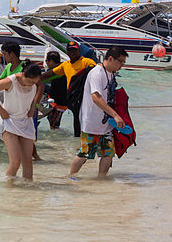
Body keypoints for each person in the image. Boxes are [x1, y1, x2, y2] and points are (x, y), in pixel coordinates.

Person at [69, 46, 128, 178]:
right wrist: (115, 115)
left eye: (124, 62)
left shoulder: (111, 74)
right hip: (91, 123)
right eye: (121, 62)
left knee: (108, 154)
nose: (122, 65)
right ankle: (71, 176)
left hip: (106, 123)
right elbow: (96, 97)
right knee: (84, 154)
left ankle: (101, 180)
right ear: (111, 58)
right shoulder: (97, 73)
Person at [0, 61, 44, 180]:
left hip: (25, 122)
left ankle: (29, 191)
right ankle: (9, 190)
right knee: (16, 160)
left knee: (27, 160)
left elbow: (39, 88)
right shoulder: (11, 81)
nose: (32, 85)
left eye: (34, 83)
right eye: (30, 82)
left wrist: (33, 106)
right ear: (24, 75)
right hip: (9, 121)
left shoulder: (34, 83)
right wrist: (1, 110)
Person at [41, 41, 96, 136]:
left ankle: (86, 144)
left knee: (86, 123)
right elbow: (51, 73)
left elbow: (97, 71)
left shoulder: (87, 62)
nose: (73, 52)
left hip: (85, 98)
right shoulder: (65, 65)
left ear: (79, 51)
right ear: (67, 52)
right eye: (70, 50)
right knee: (77, 124)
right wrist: (34, 78)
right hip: (73, 100)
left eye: (75, 50)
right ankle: (78, 145)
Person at [43, 50, 68, 130]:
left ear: (51, 61)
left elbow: (42, 79)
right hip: (63, 101)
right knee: (54, 123)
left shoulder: (53, 71)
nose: (46, 62)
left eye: (47, 60)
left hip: (58, 103)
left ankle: (57, 140)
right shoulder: (64, 68)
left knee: (54, 126)